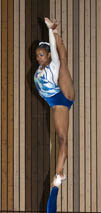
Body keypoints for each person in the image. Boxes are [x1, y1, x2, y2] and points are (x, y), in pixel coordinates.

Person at [34, 17, 75, 185]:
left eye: (41, 55)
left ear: (48, 55)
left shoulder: (53, 64)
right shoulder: (39, 69)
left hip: (63, 97)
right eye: (36, 55)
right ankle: (61, 172)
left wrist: (51, 30)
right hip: (54, 102)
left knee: (62, 139)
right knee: (61, 138)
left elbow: (56, 52)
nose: (38, 58)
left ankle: (59, 172)